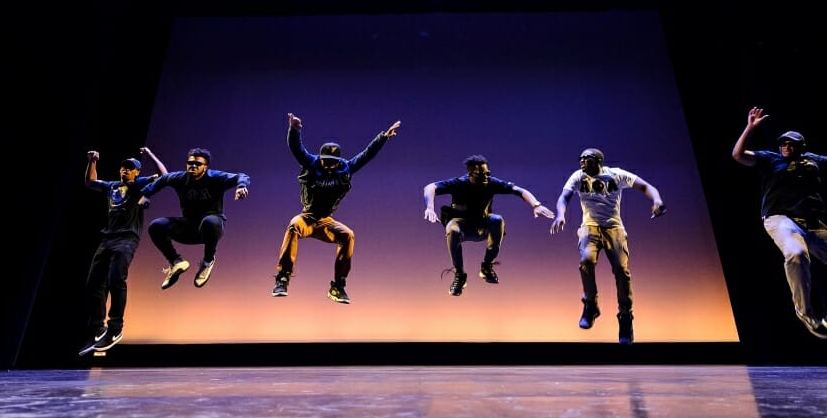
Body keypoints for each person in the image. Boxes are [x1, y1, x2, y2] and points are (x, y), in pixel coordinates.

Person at [731, 106, 827, 348]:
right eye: (783, 144)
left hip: (812, 224)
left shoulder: (811, 160)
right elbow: (738, 155)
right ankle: (805, 312)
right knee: (797, 253)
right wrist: (750, 128)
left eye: (791, 144)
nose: (786, 147)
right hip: (780, 219)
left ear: (801, 147)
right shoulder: (771, 160)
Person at [271, 113, 401, 304]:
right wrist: (294, 129)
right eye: (326, 161)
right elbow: (296, 149)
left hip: (326, 220)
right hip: (307, 216)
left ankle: (338, 287)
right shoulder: (312, 163)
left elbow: (366, 155)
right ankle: (282, 278)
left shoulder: (346, 168)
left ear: (338, 160)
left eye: (332, 162)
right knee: (293, 226)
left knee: (348, 235)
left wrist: (382, 138)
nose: (329, 166)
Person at [550, 148, 666, 344]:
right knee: (586, 260)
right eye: (581, 158)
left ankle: (625, 317)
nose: (582, 162)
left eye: (587, 158)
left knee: (621, 271)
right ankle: (590, 305)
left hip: (614, 227)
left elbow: (646, 186)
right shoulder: (578, 177)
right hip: (590, 226)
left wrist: (657, 200)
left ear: (599, 161)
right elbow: (564, 197)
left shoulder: (616, 174)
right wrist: (561, 214)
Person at [78, 147, 168, 356]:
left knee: (116, 280)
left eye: (130, 169)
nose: (125, 171)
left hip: (127, 239)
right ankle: (99, 329)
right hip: (107, 238)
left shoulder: (139, 185)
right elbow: (90, 182)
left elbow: (165, 176)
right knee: (94, 284)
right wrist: (92, 161)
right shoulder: (112, 186)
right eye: (123, 168)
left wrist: (151, 155)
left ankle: (115, 328)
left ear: (137, 172)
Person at [423, 154, 555, 296]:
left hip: (482, 225)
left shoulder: (491, 183)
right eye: (481, 175)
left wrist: (536, 205)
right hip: (463, 226)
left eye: (487, 174)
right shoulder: (460, 183)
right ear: (471, 174)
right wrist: (430, 207)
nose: (485, 177)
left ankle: (486, 267)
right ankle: (460, 275)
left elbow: (519, 190)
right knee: (452, 228)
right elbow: (430, 187)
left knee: (497, 220)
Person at [141, 147, 250, 290]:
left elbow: (242, 176)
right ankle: (176, 262)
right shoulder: (179, 178)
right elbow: (163, 180)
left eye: (198, 164)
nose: (193, 166)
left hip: (211, 227)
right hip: (189, 227)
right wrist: (146, 194)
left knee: (208, 221)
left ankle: (207, 261)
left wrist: (241, 187)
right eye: (190, 163)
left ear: (205, 167)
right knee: (156, 225)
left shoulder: (215, 177)